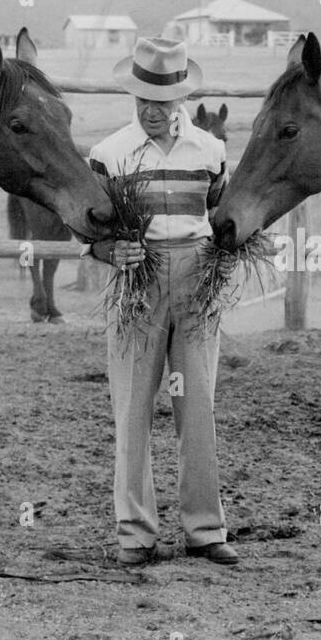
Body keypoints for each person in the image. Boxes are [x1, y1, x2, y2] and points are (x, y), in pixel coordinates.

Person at [85, 36, 237, 566]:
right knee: (132, 408)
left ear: (181, 101)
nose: (153, 112)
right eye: (143, 100)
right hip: (137, 284)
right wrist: (112, 250)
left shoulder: (211, 153)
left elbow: (222, 219)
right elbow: (89, 236)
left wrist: (222, 253)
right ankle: (135, 534)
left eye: (163, 102)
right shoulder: (109, 154)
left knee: (197, 406)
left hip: (195, 280)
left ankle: (205, 530)